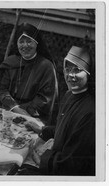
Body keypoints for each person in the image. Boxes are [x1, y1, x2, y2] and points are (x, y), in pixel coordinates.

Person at [22, 46, 95, 175]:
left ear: (88, 74)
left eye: (77, 70)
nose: (71, 75)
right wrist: (41, 130)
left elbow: (75, 160)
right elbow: (64, 130)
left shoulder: (90, 112)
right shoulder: (69, 95)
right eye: (68, 69)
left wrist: (41, 161)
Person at [0, 22, 58, 124]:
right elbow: (2, 90)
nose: (25, 45)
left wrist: (24, 112)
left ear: (36, 43)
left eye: (29, 41)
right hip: (10, 110)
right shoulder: (10, 62)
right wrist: (15, 108)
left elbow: (44, 99)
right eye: (21, 42)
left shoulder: (46, 66)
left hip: (34, 116)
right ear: (17, 43)